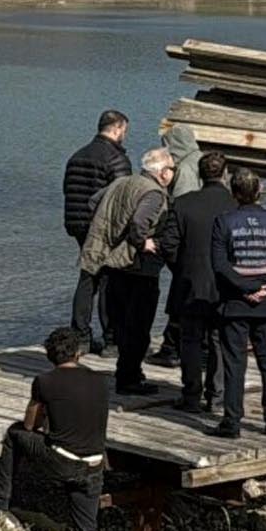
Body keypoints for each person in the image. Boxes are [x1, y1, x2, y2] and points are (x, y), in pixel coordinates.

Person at [206, 167, 266, 440]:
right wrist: (265, 285)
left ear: (234, 193)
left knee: (235, 364)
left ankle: (232, 422)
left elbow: (220, 265)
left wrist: (246, 288)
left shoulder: (224, 222)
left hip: (235, 303)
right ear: (260, 191)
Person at [0, 326, 111, 531]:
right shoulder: (102, 380)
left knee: (14, 434)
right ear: (79, 353)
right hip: (96, 463)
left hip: (64, 463)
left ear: (50, 356)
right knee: (86, 530)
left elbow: (30, 425)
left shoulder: (44, 381)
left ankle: (1, 504)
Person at [155, 151, 234, 415]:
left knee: (189, 340)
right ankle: (217, 396)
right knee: (218, 341)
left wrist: (182, 268)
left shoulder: (184, 203)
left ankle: (191, 395)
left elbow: (168, 245)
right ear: (224, 174)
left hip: (190, 282)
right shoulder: (235, 205)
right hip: (225, 285)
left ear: (199, 175)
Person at [94, 149, 175, 393]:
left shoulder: (123, 181)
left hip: (116, 263)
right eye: (172, 168)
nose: (173, 173)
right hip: (140, 267)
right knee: (139, 325)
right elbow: (140, 222)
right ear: (162, 173)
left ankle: (128, 371)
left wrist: (112, 232)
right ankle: (129, 378)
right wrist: (142, 242)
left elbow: (94, 202)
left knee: (121, 321)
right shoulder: (154, 193)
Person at [61, 110, 133, 348]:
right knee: (108, 281)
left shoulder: (77, 156)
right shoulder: (116, 159)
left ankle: (80, 333)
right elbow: (124, 197)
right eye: (124, 130)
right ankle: (111, 336)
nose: (125, 135)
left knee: (88, 277)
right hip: (103, 227)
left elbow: (67, 190)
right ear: (116, 128)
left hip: (78, 223)